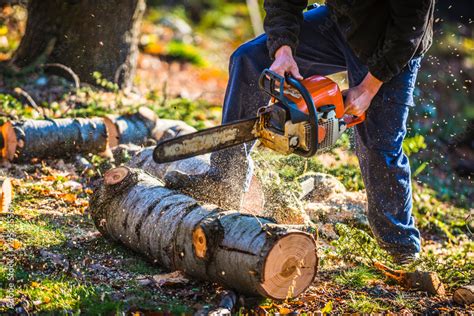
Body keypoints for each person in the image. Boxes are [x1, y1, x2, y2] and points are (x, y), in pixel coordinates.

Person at [166, 0, 434, 264]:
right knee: (249, 60)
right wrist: (283, 49)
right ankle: (226, 179)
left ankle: (401, 246)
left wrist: (368, 88)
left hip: (392, 42)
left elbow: (410, 27)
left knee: (378, 142)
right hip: (338, 23)